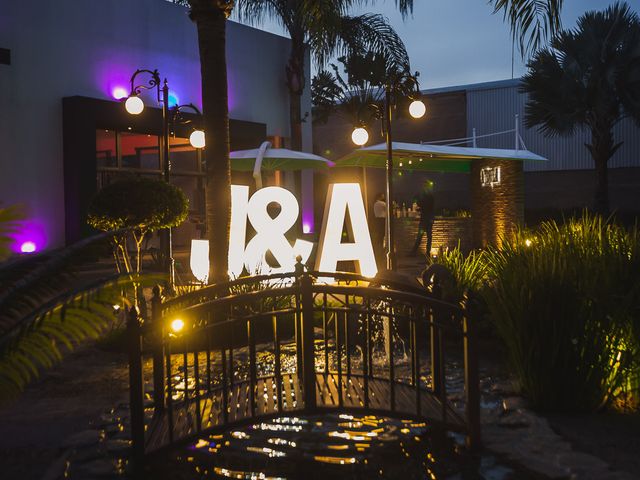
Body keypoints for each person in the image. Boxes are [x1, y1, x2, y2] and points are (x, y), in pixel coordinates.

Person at [410, 180, 435, 256]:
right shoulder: (430, 195)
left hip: (426, 218)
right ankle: (427, 252)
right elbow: (428, 206)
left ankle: (415, 252)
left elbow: (425, 206)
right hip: (428, 218)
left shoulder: (427, 196)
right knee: (428, 236)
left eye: (424, 186)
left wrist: (419, 207)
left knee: (422, 236)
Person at [372, 193, 386, 264]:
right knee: (382, 233)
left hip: (377, 219)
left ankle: (378, 244)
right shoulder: (382, 203)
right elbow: (389, 208)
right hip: (382, 219)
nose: (383, 196)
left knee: (379, 232)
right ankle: (380, 245)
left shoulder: (375, 204)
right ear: (380, 196)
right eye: (382, 195)